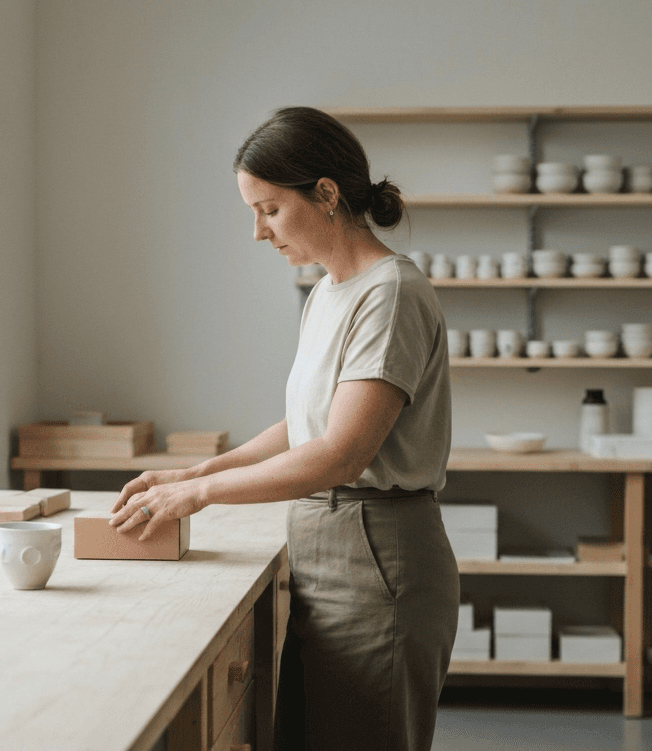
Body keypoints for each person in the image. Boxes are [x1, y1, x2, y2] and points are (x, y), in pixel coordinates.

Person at [109, 106, 459, 750]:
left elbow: (340, 454)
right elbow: (304, 426)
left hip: (378, 558)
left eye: (268, 209)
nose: (257, 231)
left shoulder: (392, 293)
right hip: (327, 549)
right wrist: (196, 471)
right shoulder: (330, 291)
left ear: (326, 195)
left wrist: (199, 495)